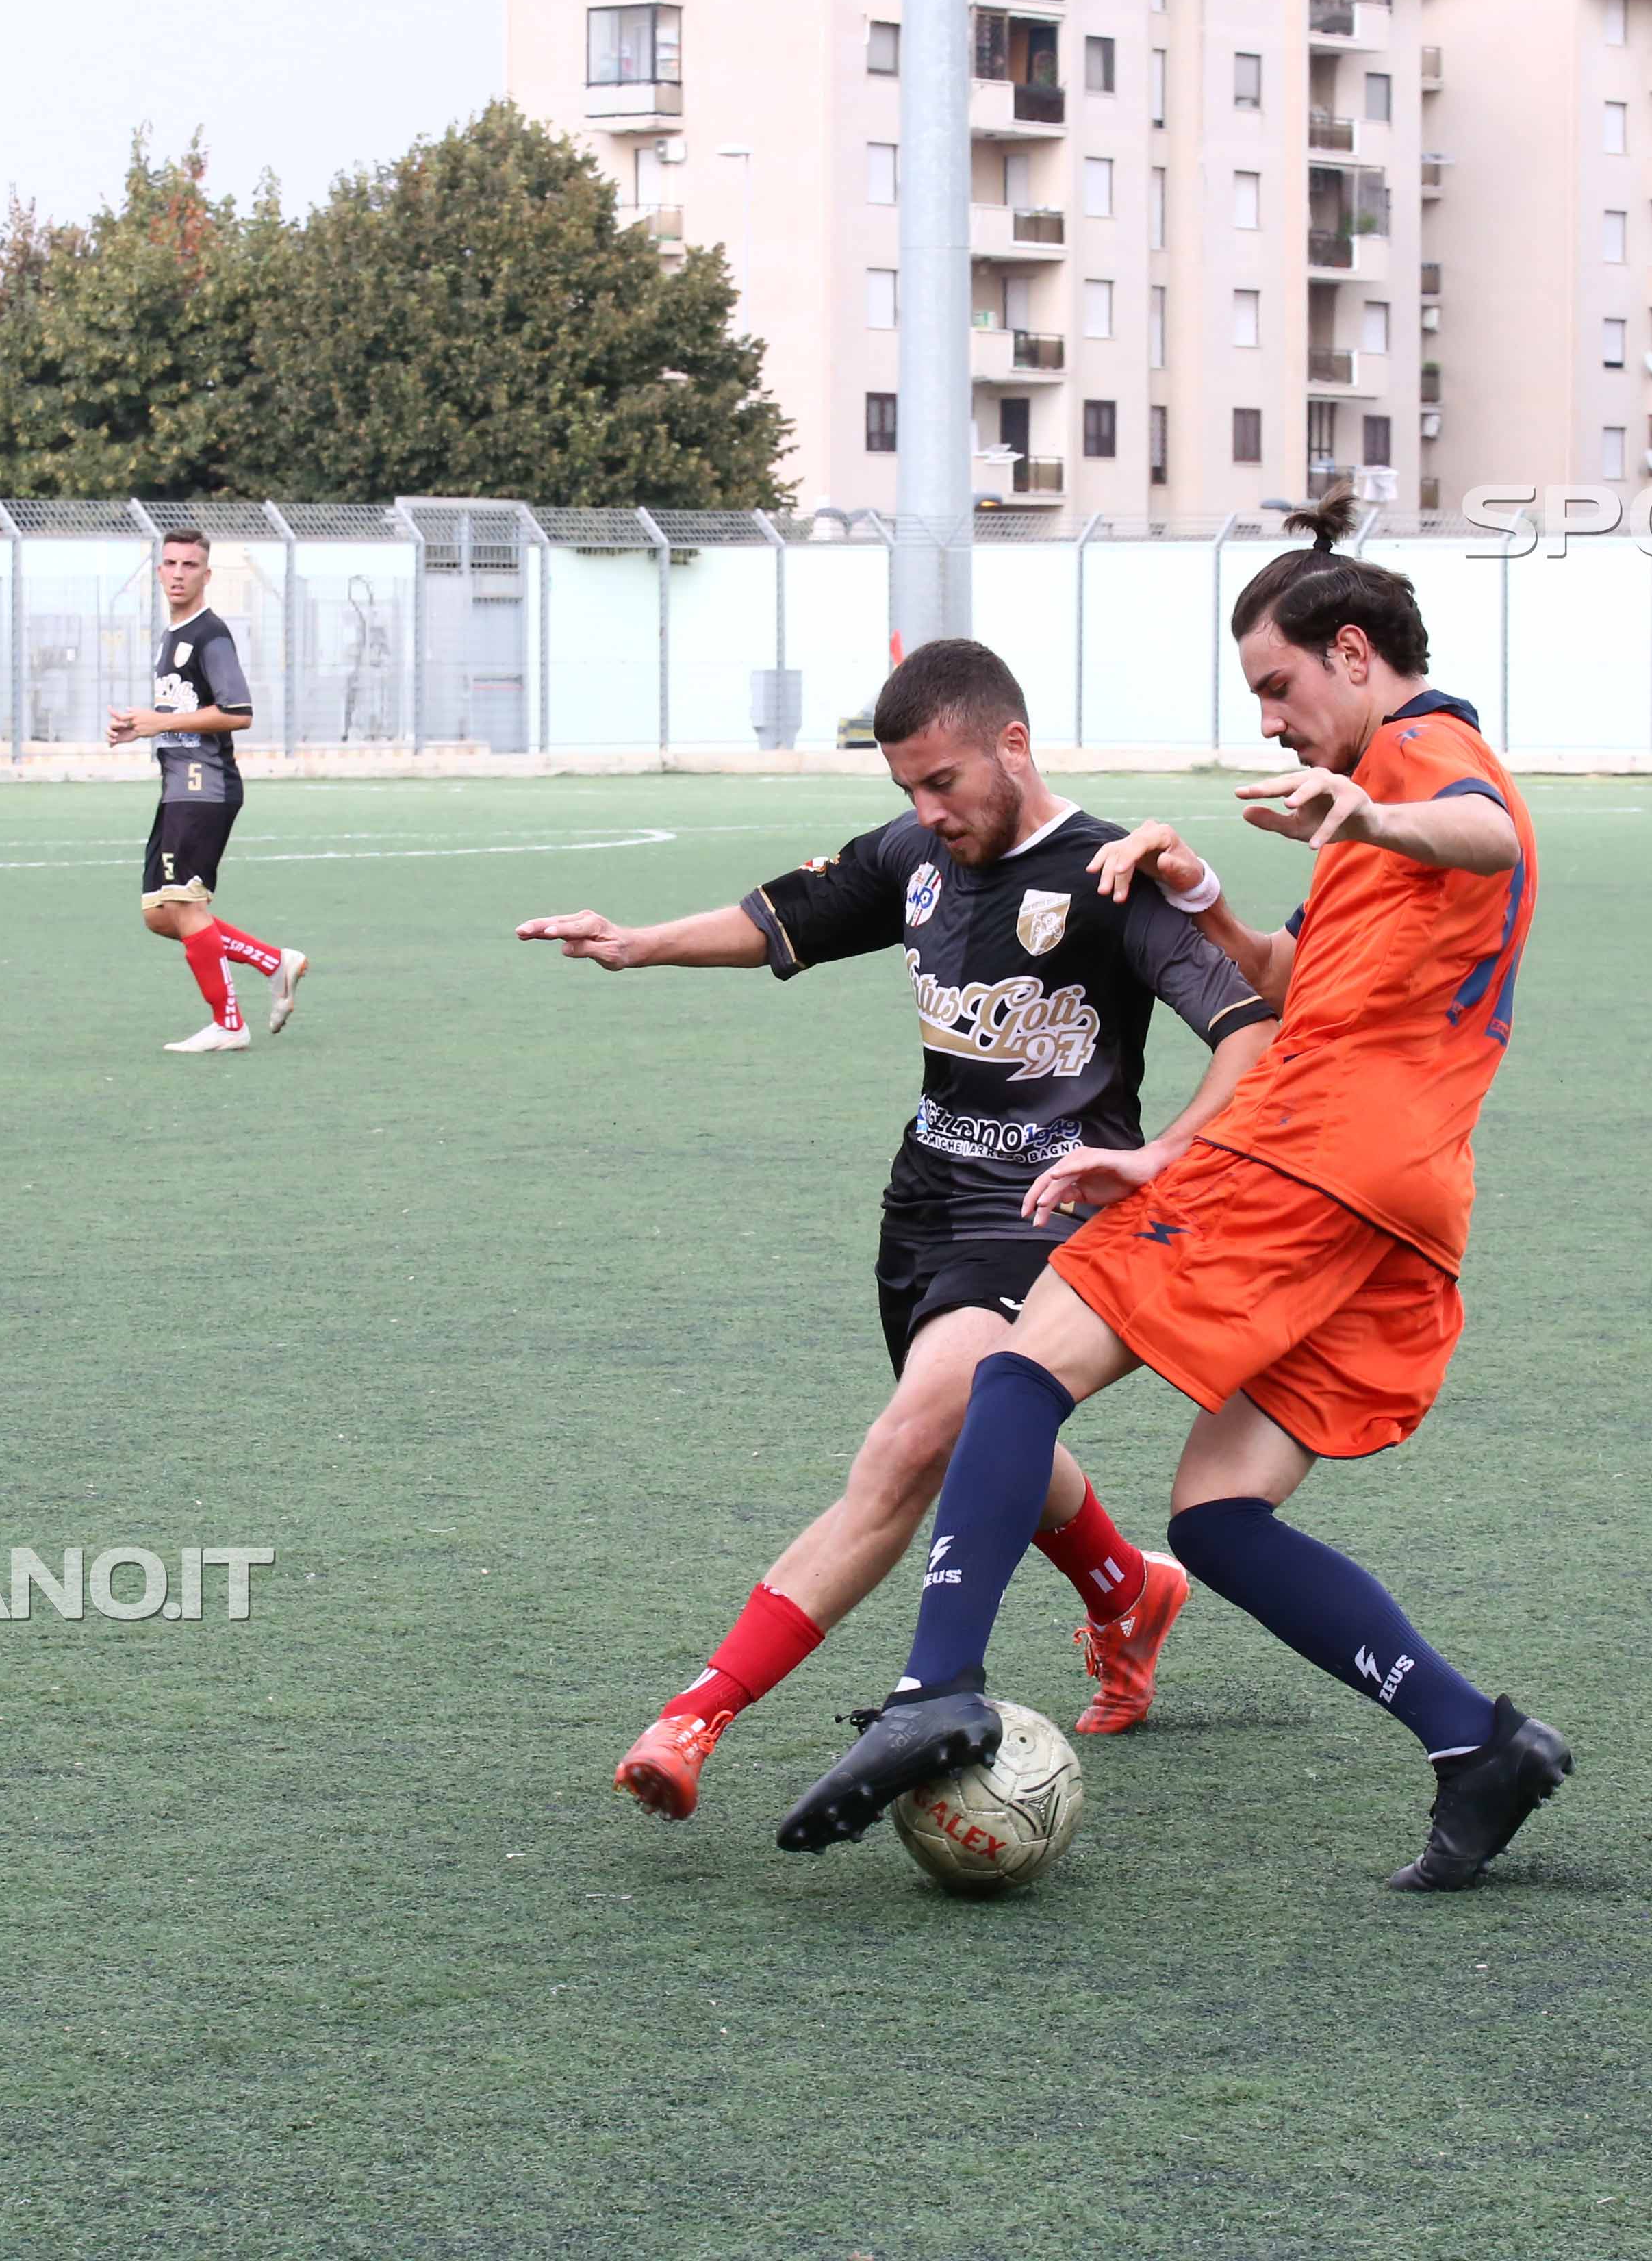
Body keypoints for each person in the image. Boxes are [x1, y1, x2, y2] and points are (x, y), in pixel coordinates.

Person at [776, 498, 1571, 1893]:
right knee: (1215, 1518)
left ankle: (936, 1687)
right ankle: (1474, 1741)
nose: (1269, 719)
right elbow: (1288, 987)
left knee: (1021, 1372)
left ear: (1350, 651)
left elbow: (1488, 832)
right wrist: (1201, 891)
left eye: (1276, 686)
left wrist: (1374, 803)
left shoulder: (1426, 752)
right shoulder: (1372, 817)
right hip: (1400, 1199)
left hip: (1310, 1159)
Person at [520, 637, 1274, 1821]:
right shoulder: (914, 855)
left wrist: (1158, 1153)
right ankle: (1128, 1593)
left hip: (1038, 1217)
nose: (927, 811)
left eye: (944, 784)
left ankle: (693, 1716)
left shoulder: (1106, 872)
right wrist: (635, 943)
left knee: (906, 1445)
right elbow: (788, 916)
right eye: (907, 791)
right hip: (920, 1207)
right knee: (974, 1431)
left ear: (1012, 745)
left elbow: (1251, 1027)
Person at [107, 525, 305, 1051]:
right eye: (170, 564)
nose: (178, 573)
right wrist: (143, 727)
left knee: (187, 905)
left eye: (189, 565)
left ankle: (229, 1025)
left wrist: (157, 723)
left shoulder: (210, 634)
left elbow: (237, 713)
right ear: (158, 571)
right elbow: (181, 713)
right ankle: (275, 962)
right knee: (159, 914)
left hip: (205, 785)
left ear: (206, 574)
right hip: (178, 786)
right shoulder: (171, 637)